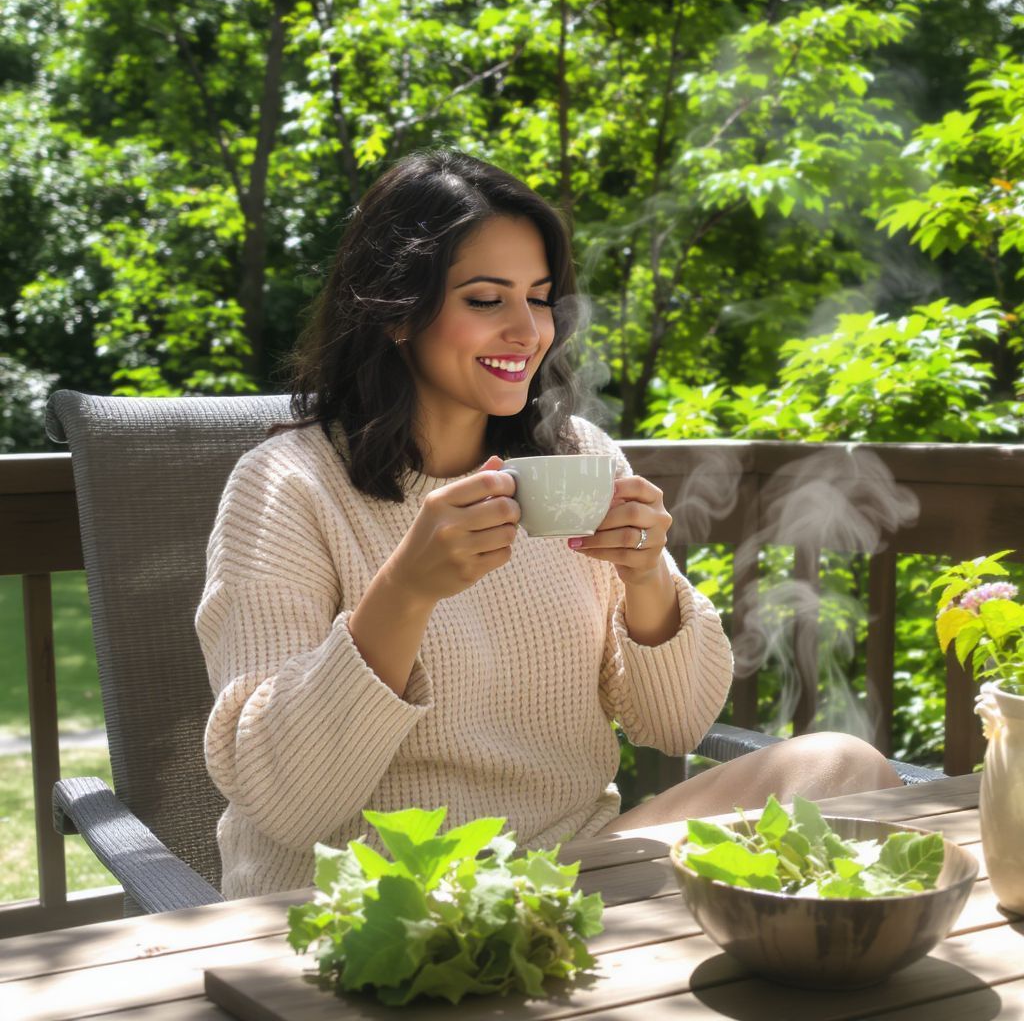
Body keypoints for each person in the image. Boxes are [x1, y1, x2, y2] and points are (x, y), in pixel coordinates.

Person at [196, 149, 901, 900]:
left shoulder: (580, 459)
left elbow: (678, 724)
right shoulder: (289, 487)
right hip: (379, 896)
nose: (526, 331)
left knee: (844, 769)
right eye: (485, 299)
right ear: (398, 312)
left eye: (537, 298)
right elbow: (284, 798)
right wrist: (404, 591)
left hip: (568, 874)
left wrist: (646, 576)